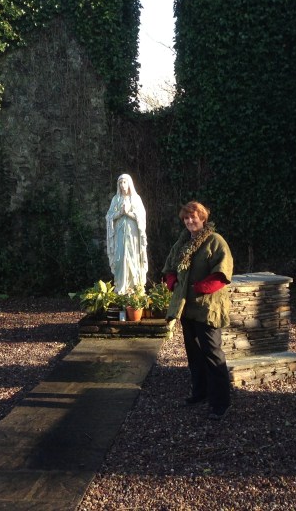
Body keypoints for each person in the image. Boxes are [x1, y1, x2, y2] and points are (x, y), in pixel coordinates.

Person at [163, 201, 233, 420]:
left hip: (208, 307)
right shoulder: (182, 242)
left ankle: (221, 403)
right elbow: (169, 268)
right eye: (186, 218)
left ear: (203, 218)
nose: (190, 221)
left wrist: (199, 288)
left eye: (193, 217)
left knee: (213, 354)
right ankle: (200, 393)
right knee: (194, 354)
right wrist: (173, 283)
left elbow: (222, 272)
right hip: (187, 308)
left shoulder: (215, 241)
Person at [106, 173, 148, 294]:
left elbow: (142, 216)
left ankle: (135, 288)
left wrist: (128, 213)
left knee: (133, 257)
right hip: (120, 233)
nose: (122, 185)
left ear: (129, 184)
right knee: (120, 258)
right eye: (120, 183)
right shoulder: (116, 199)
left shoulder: (136, 198)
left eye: (124, 182)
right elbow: (109, 216)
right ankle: (121, 287)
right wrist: (119, 214)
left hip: (133, 234)